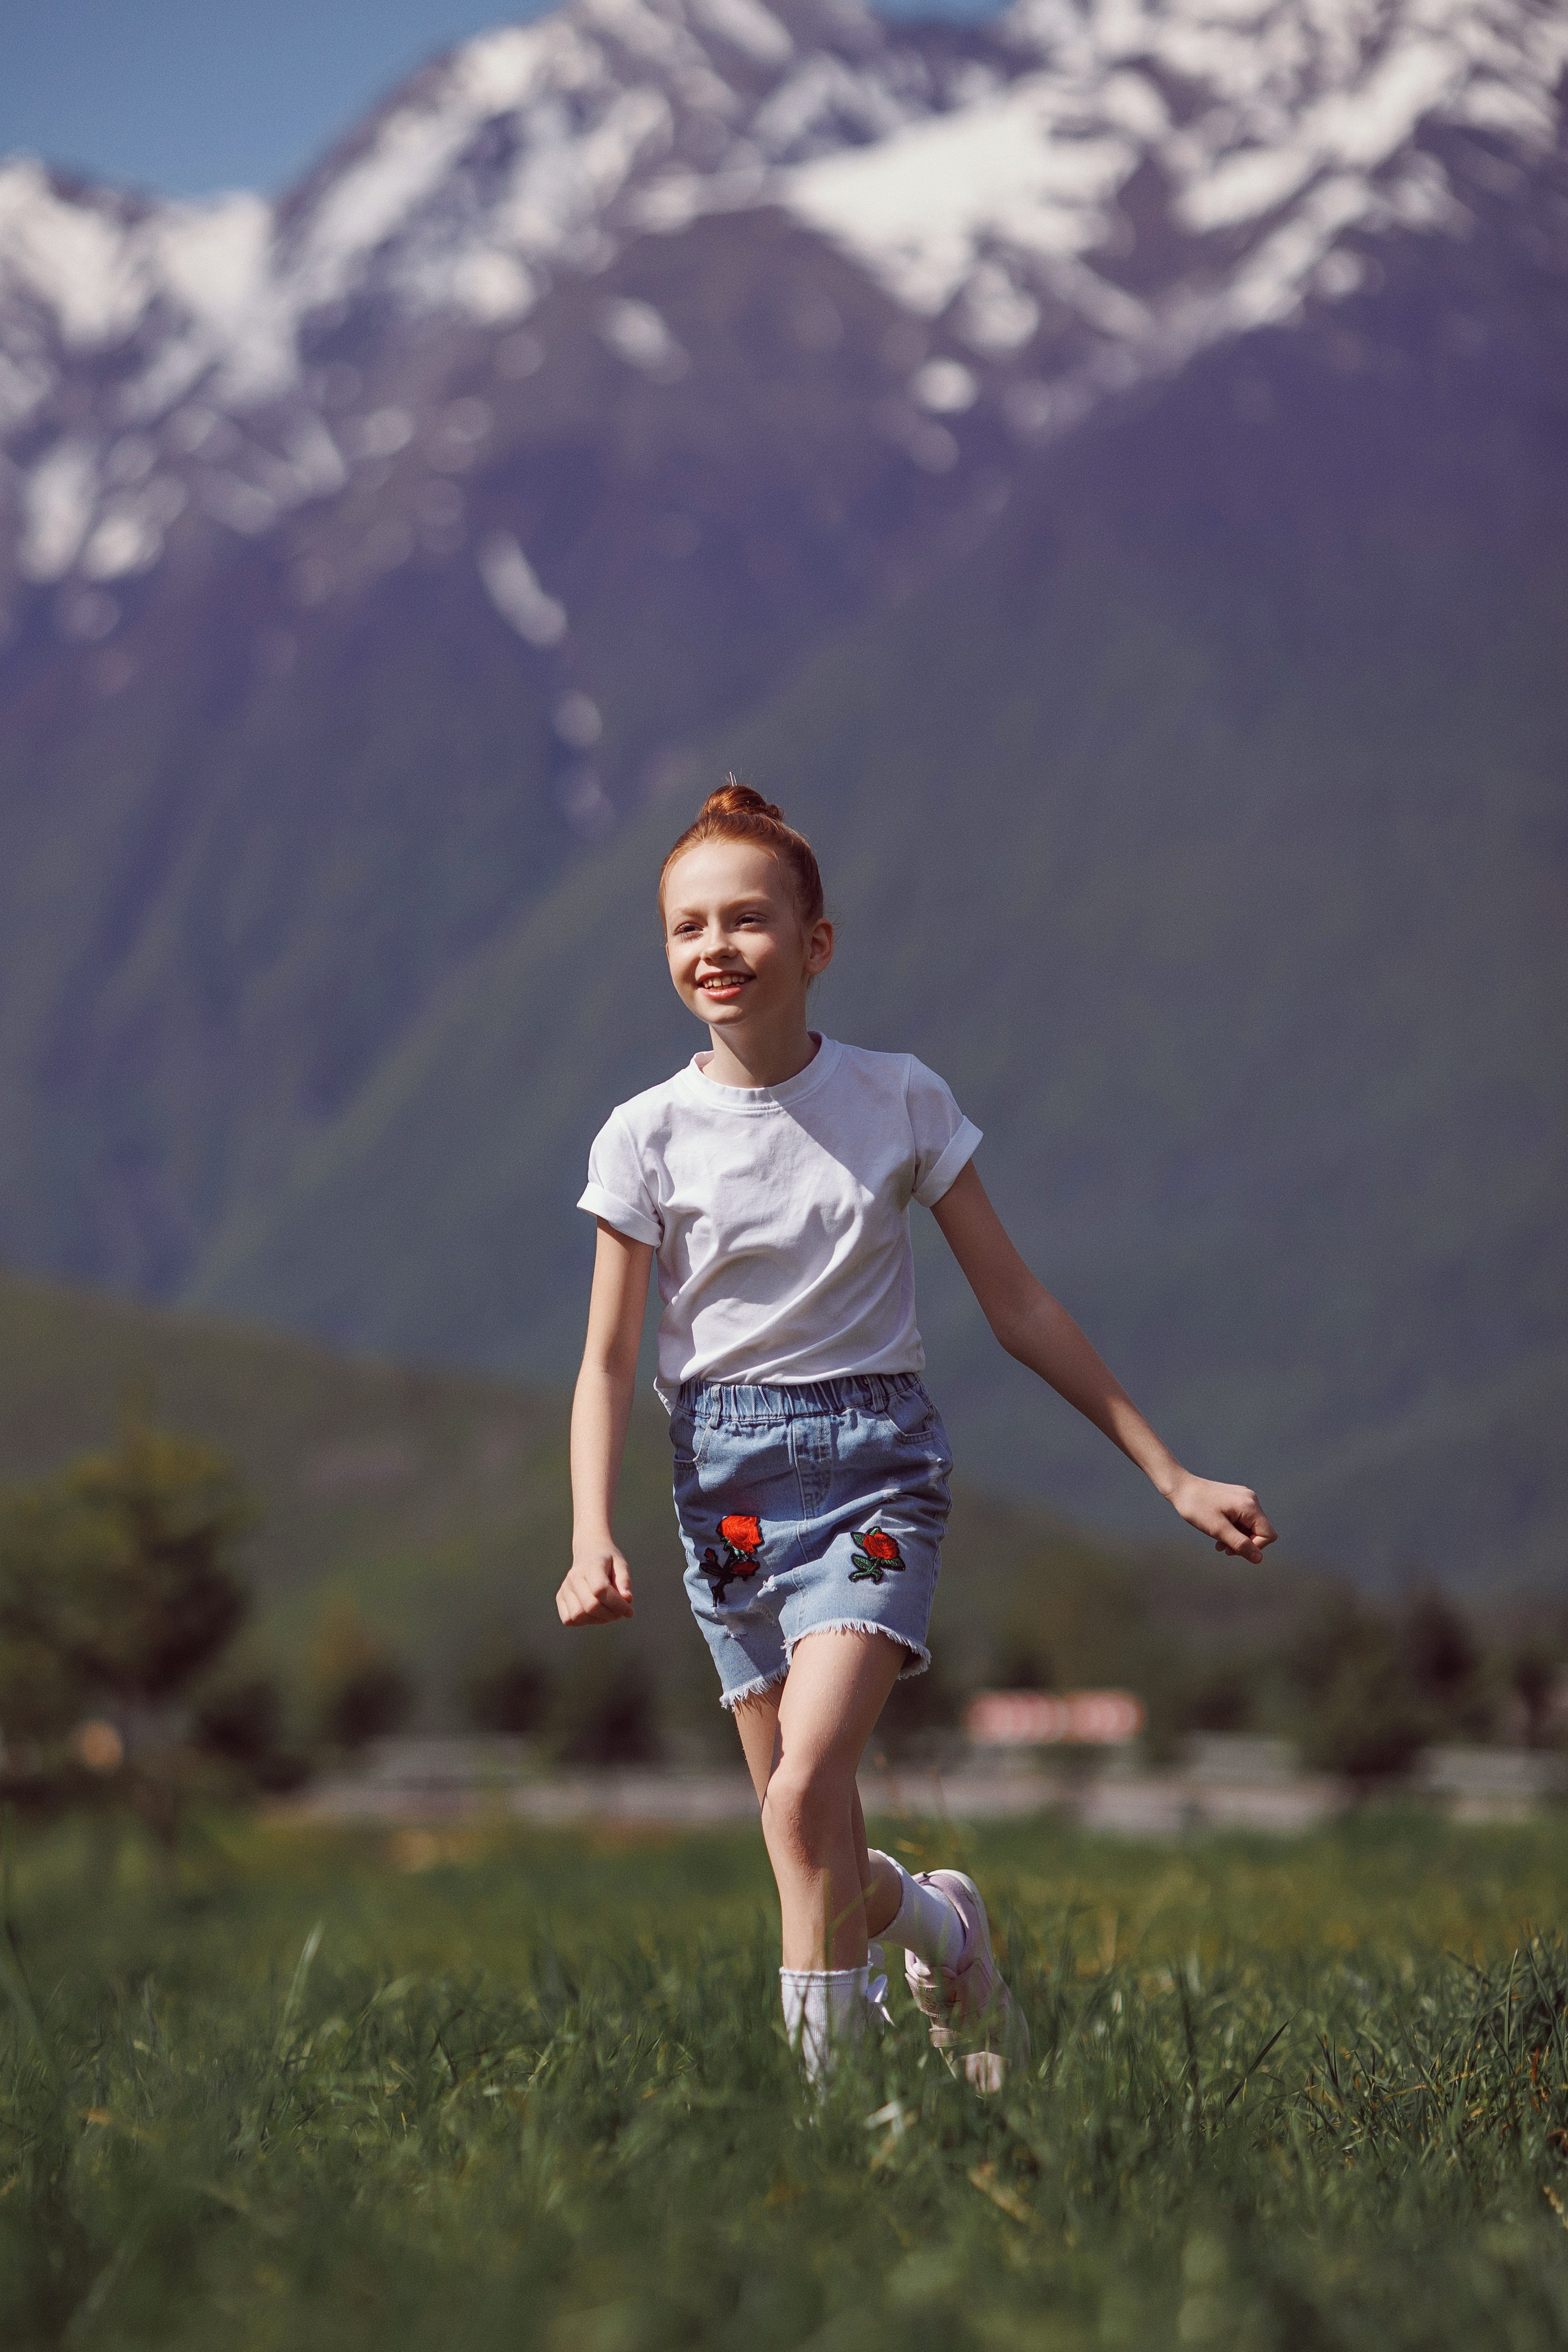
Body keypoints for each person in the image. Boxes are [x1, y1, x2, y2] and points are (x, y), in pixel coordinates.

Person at [556, 782, 1276, 2089]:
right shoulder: (641, 1137)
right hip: (717, 1498)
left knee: (796, 1801)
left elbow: (1016, 1303)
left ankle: (832, 2132)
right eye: (683, 928)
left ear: (814, 944)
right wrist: (587, 1533)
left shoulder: (899, 1100)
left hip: (872, 1475)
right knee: (805, 1829)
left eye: (745, 919)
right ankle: (942, 1929)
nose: (713, 947)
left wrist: (1168, 1472)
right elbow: (608, 1358)